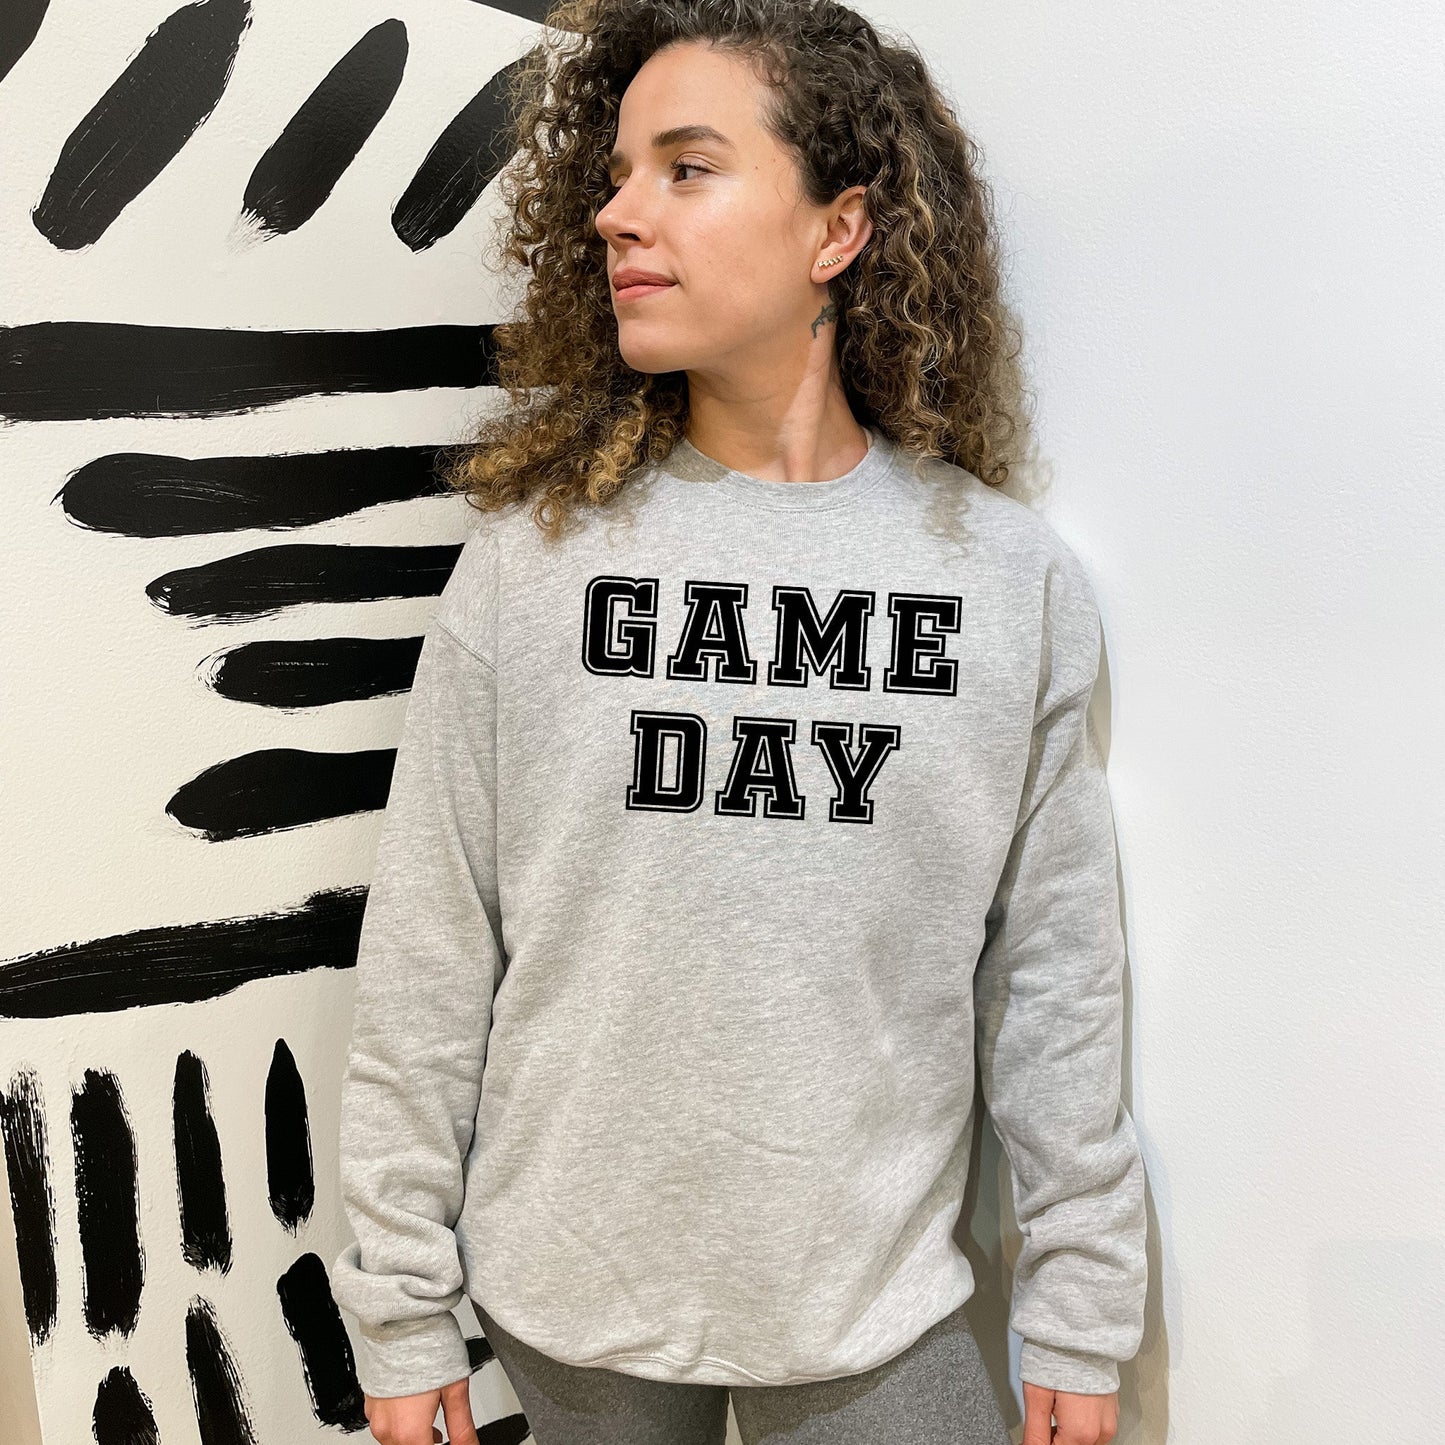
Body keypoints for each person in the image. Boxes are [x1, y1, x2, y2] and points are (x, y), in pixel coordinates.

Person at [331, 1, 1148, 1442]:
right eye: (618, 170)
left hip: (868, 1304)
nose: (616, 212)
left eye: (685, 168)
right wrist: (399, 1315)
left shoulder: (1001, 580)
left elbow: (1055, 985)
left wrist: (1080, 1305)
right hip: (568, 1303)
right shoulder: (530, 564)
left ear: (836, 232)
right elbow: (428, 954)